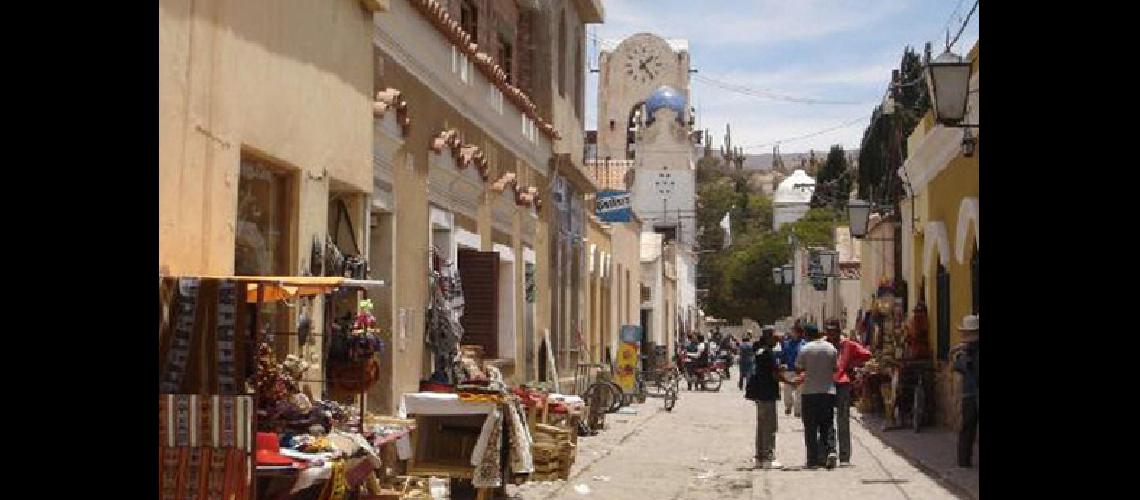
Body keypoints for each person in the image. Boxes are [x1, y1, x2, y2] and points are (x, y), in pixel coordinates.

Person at [825, 319, 872, 466]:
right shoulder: (823, 344)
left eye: (834, 331)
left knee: (843, 420)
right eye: (829, 331)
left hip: (842, 384)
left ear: (839, 331)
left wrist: (851, 364)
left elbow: (867, 355)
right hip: (826, 384)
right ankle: (830, 451)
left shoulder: (847, 344)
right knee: (827, 420)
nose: (831, 334)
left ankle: (844, 456)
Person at [796, 324, 839, 470]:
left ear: (807, 335)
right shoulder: (831, 348)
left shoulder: (805, 349)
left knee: (810, 427)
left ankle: (812, 459)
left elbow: (799, 368)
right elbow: (835, 368)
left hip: (809, 392)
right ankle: (830, 451)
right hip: (828, 392)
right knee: (827, 424)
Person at [745, 330, 783, 469]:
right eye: (775, 338)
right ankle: (768, 457)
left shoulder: (759, 351)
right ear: (768, 338)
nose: (777, 341)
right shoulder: (768, 353)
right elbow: (774, 374)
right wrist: (789, 381)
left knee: (761, 425)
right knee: (770, 425)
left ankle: (760, 455)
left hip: (759, 393)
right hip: (768, 394)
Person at [952, 315, 979, 468]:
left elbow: (958, 373)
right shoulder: (963, 352)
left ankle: (964, 460)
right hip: (971, 393)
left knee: (967, 427)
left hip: (969, 394)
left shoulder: (961, 352)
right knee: (968, 427)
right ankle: (963, 459)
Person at [779, 324, 807, 417]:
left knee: (799, 391)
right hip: (789, 369)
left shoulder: (804, 344)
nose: (792, 333)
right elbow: (783, 355)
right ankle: (788, 406)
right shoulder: (787, 343)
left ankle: (798, 410)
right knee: (787, 390)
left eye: (794, 331)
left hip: (799, 370)